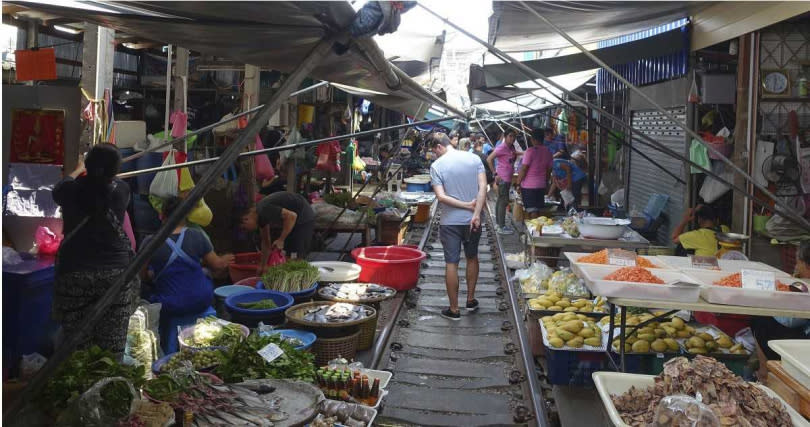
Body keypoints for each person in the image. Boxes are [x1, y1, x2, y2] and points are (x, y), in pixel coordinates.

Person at [52, 144, 138, 356]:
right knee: (112, 350)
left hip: (75, 275)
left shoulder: (68, 191)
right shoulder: (121, 191)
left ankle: (80, 387)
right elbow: (106, 183)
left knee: (77, 350)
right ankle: (106, 385)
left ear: (87, 165)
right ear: (115, 171)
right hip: (115, 277)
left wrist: (77, 169)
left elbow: (62, 184)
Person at [142, 197, 235, 350]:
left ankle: (168, 346)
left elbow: (142, 276)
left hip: (170, 305)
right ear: (186, 216)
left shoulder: (150, 242)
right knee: (204, 272)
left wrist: (156, 274)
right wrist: (226, 258)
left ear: (162, 215)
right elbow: (217, 266)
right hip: (201, 301)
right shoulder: (197, 236)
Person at [428, 133, 487, 320]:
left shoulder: (437, 166)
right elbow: (483, 187)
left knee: (451, 263)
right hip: (473, 221)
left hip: (449, 222)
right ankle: (470, 300)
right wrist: (475, 213)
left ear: (438, 147)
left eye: (434, 151)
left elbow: (441, 197)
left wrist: (463, 205)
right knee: (472, 257)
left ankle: (454, 309)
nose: (434, 155)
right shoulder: (474, 158)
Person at [752, 240, 810, 380]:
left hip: (805, 342)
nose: (796, 266)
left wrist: (767, 302)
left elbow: (790, 320)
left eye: (798, 262)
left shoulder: (806, 288)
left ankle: (765, 373)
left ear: (807, 266)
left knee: (760, 319)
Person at [239, 191, 316, 268]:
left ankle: (298, 277)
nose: (247, 230)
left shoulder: (263, 209)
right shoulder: (260, 217)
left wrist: (281, 240)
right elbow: (266, 242)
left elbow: (292, 216)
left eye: (244, 228)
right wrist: (263, 265)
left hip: (303, 216)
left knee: (295, 257)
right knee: (287, 254)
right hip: (294, 219)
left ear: (246, 219)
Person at [517, 128, 553, 219]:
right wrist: (546, 182)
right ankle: (538, 230)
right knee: (538, 210)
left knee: (532, 210)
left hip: (529, 186)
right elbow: (549, 170)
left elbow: (524, 169)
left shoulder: (530, 151)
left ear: (533, 139)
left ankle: (534, 232)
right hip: (541, 185)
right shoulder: (548, 152)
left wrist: (517, 183)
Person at [487, 130, 517, 234]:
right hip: (503, 178)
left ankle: (498, 224)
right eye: (510, 136)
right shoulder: (502, 147)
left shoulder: (511, 147)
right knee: (503, 201)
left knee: (500, 200)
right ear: (505, 136)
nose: (512, 138)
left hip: (507, 177)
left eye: (514, 136)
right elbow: (489, 159)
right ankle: (501, 226)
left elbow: (513, 155)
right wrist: (495, 173)